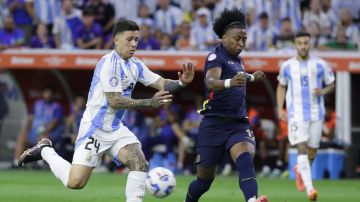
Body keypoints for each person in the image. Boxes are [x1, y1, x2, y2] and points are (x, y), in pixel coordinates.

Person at [18, 19, 195, 202]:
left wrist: (182, 82)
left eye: (136, 39)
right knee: (75, 182)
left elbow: (161, 83)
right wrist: (150, 103)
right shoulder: (108, 64)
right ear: (116, 40)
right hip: (94, 129)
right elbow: (115, 100)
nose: (134, 44)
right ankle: (45, 150)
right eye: (129, 39)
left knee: (139, 162)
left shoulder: (135, 65)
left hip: (116, 128)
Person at [184, 9, 268, 202]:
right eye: (237, 38)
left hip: (238, 123)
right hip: (213, 124)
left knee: (245, 158)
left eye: (244, 39)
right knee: (204, 181)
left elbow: (239, 76)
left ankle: (252, 200)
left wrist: (253, 77)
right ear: (223, 37)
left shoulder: (239, 61)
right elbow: (211, 81)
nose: (241, 43)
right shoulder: (215, 57)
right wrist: (230, 82)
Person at [276, 32, 335, 201]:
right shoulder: (287, 66)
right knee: (300, 147)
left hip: (317, 113)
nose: (303, 46)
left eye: (306, 43)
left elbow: (331, 83)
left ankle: (300, 169)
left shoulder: (320, 64)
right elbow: (281, 86)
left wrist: (323, 91)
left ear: (310, 44)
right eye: (300, 43)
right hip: (296, 114)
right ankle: (311, 190)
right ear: (295, 45)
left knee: (312, 151)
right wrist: (280, 108)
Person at [13, 86, 65, 167]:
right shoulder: (37, 103)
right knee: (22, 136)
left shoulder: (56, 106)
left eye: (49, 93)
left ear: (53, 95)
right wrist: (28, 129)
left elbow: (54, 122)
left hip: (50, 133)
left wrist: (44, 131)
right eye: (46, 93)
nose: (47, 95)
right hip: (34, 132)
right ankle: (17, 162)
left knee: (42, 138)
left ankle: (39, 164)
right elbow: (31, 117)